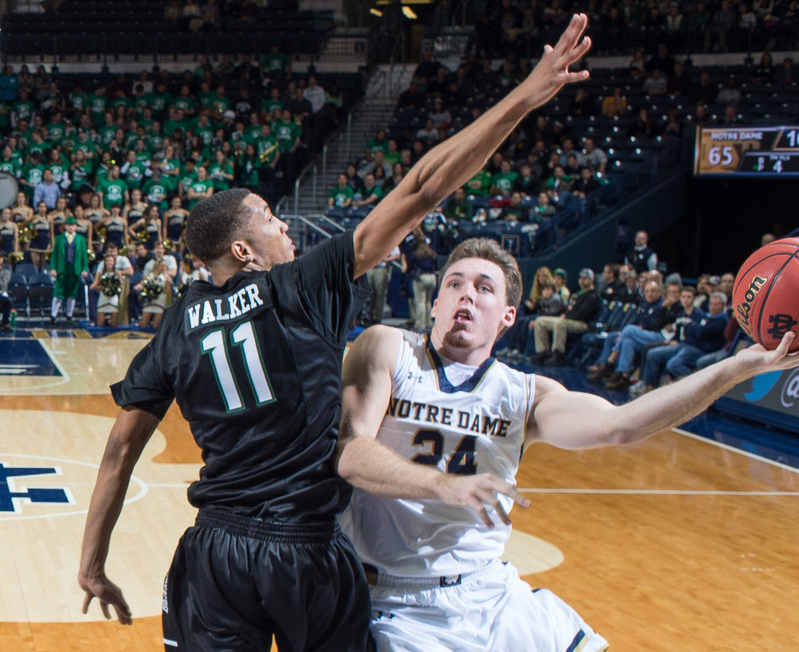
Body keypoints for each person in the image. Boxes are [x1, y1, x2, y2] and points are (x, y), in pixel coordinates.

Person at [78, 14, 594, 651]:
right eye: (270, 219)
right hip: (307, 549)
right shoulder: (297, 285)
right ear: (243, 250)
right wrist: (524, 96)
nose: (286, 228)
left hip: (215, 553)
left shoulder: (176, 327)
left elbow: (117, 453)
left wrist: (91, 564)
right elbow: (423, 187)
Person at [336, 237, 799, 652]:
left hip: (489, 592)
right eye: (455, 284)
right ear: (435, 304)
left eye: (484, 288)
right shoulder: (388, 349)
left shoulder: (524, 394)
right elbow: (351, 453)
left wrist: (735, 368)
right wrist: (445, 485)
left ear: (508, 317)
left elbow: (621, 425)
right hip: (395, 599)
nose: (467, 294)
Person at [49, 215, 89, 323]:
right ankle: (53, 315)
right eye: (68, 225)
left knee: (72, 293)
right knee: (58, 292)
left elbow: (84, 255)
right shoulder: (59, 238)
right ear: (65, 226)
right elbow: (54, 255)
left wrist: (85, 268)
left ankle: (69, 315)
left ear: (76, 226)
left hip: (74, 268)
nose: (70, 227)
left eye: (72, 225)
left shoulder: (81, 240)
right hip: (62, 267)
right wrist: (53, 268)